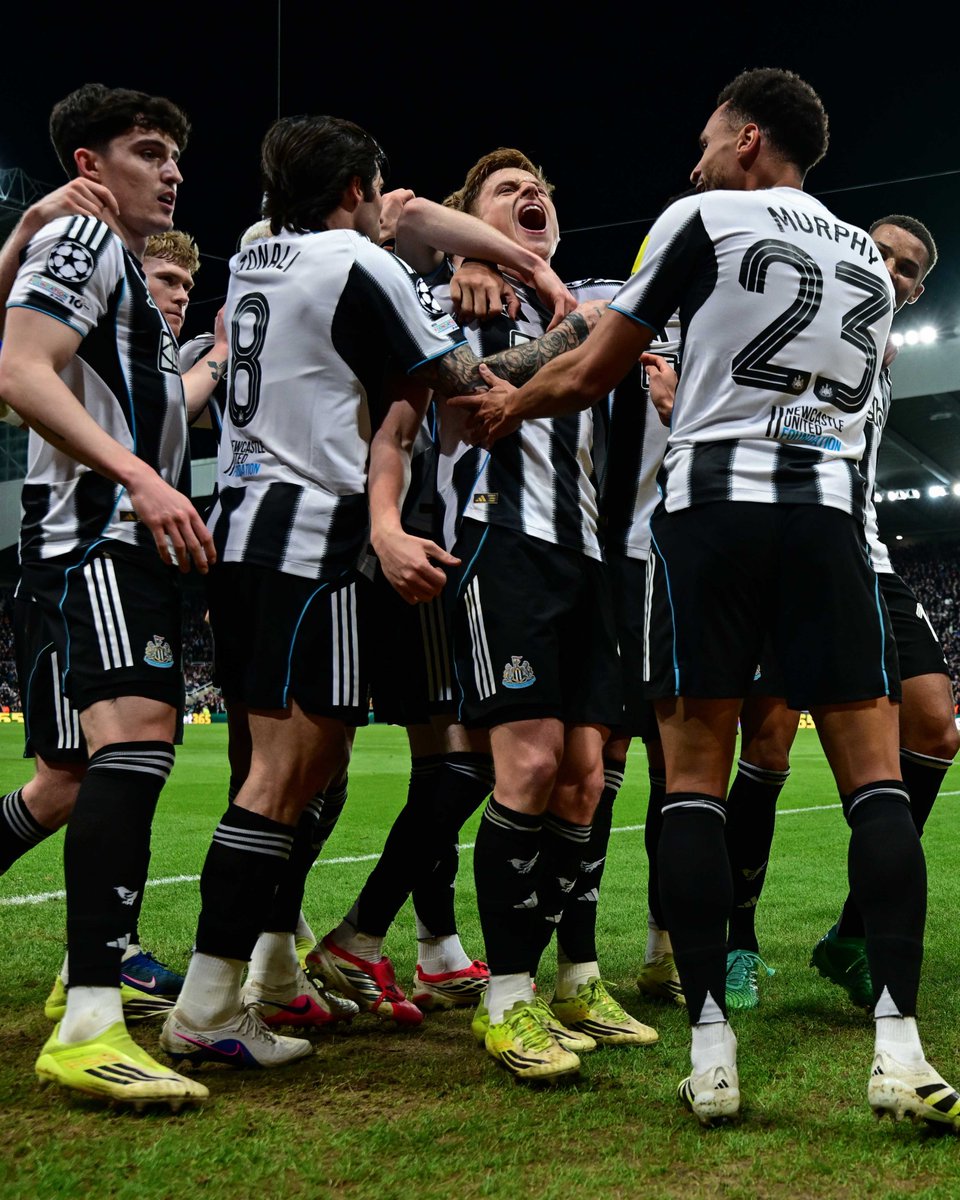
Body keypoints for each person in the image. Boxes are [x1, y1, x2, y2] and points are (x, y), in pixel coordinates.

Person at [454, 68, 960, 1132]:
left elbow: (594, 368)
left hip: (711, 519)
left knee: (693, 781)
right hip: (831, 522)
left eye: (706, 141)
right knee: (875, 785)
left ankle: (714, 1055)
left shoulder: (700, 218)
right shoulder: (867, 261)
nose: (693, 162)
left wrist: (510, 406)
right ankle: (901, 1050)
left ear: (747, 140)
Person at [157, 115, 601, 1075]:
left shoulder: (257, 256)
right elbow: (468, 381)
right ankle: (208, 1003)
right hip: (315, 537)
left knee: (302, 773)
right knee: (284, 779)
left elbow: (411, 226)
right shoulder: (360, 266)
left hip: (247, 528)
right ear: (355, 189)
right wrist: (569, 326)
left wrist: (506, 262)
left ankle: (267, 970)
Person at [388, 150, 659, 1082]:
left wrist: (552, 296)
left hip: (592, 557)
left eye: (539, 186)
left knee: (584, 781)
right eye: (505, 190)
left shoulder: (596, 294)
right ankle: (506, 998)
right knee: (530, 765)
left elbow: (634, 326)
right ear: (470, 215)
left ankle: (575, 981)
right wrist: (488, 264)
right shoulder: (443, 299)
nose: (530, 193)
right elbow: (466, 393)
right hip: (500, 538)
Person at [0, 83, 215, 1110]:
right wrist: (139, 477)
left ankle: (88, 978)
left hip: (120, 543)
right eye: (146, 151)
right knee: (132, 747)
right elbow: (20, 370)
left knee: (75, 777)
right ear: (89, 165)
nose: (171, 170)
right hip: (96, 539)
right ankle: (90, 1019)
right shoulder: (84, 241)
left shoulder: (115, 263)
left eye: (174, 154)